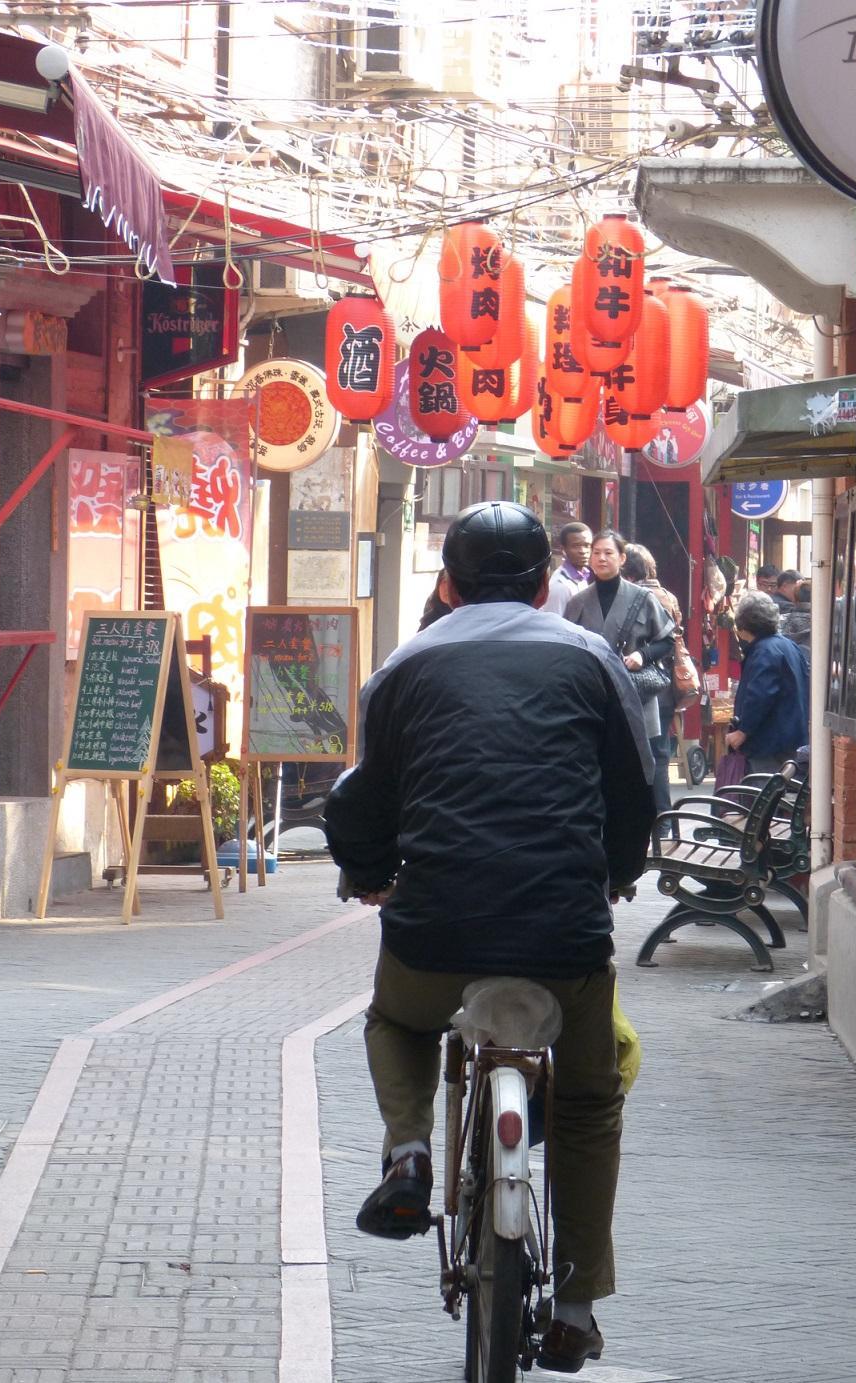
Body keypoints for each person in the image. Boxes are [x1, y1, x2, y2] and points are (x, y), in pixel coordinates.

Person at [325, 502, 653, 1373]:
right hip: (565, 933)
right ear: (550, 585)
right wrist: (614, 874)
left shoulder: (402, 667)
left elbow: (359, 800)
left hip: (436, 930)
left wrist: (367, 873)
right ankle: (577, 1303)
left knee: (397, 1021)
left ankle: (407, 1152)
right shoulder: (591, 659)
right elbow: (638, 791)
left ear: (446, 583)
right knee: (587, 1102)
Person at [566, 531, 676, 839]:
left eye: (608, 553)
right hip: (592, 694)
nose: (601, 558)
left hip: (636, 693)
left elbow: (667, 639)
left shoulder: (643, 599)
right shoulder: (578, 602)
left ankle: (651, 823)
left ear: (622, 558)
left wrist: (642, 654)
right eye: (597, 553)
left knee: (646, 758)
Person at [619, 542, 683, 828]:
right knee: (658, 752)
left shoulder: (638, 597)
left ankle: (642, 816)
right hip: (662, 683)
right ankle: (663, 817)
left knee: (637, 750)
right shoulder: (668, 595)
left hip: (640, 682)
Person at [725, 590, 809, 775]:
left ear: (745, 624)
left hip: (769, 741)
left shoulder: (764, 651)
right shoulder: (787, 645)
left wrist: (743, 731)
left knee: (762, 795)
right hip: (792, 735)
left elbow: (760, 695)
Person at [541, 520, 594, 615]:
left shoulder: (582, 577)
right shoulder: (560, 586)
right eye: (576, 546)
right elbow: (554, 625)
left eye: (587, 545)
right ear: (564, 549)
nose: (583, 551)